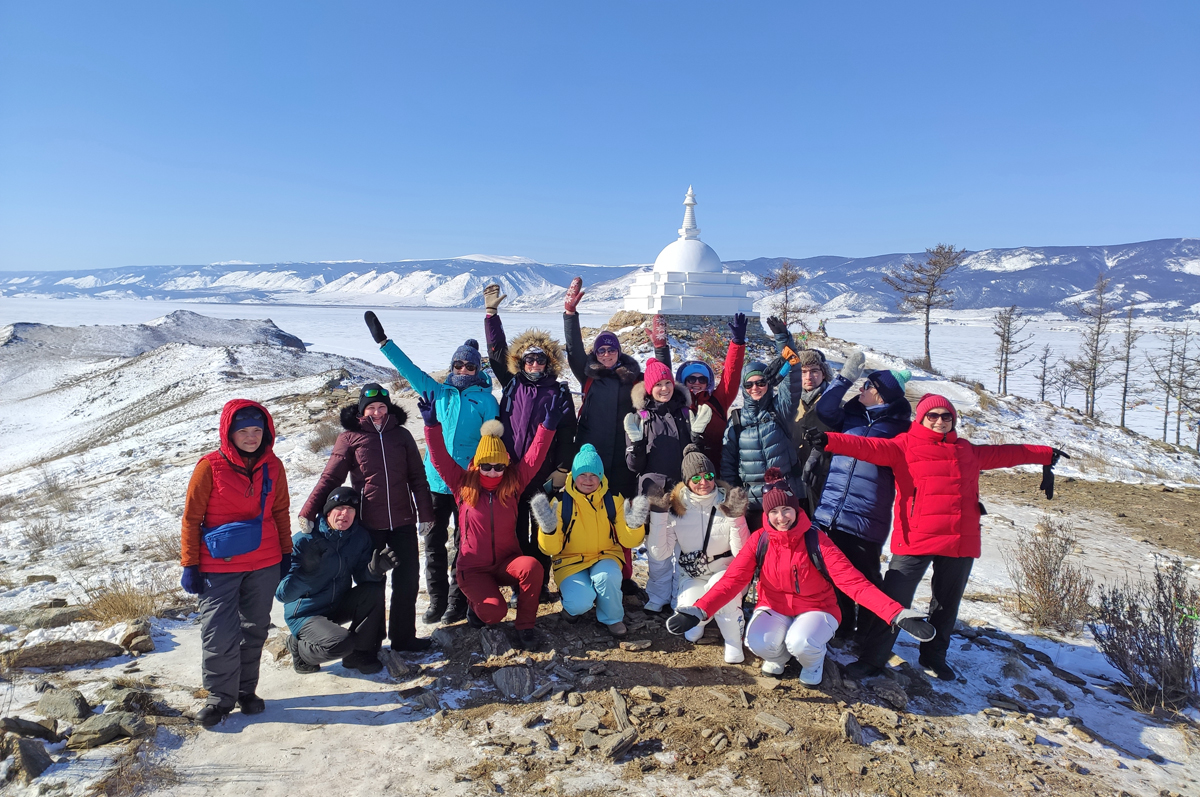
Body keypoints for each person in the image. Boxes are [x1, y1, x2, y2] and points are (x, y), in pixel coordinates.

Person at [809, 393, 1066, 681]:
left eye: (946, 416)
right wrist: (829, 440)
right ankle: (872, 658)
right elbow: (867, 446)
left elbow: (1008, 453)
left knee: (946, 604)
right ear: (921, 419)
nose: (940, 421)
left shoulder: (966, 450)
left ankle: (934, 657)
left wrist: (1046, 455)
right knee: (894, 599)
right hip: (916, 538)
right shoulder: (903, 446)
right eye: (932, 416)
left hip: (960, 539)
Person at [665, 471, 935, 684]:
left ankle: (812, 662)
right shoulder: (760, 540)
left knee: (801, 642)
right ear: (766, 515)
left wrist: (896, 614)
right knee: (757, 642)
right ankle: (780, 656)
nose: (781, 517)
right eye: (773, 512)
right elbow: (732, 580)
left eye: (786, 510)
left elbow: (854, 583)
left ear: (796, 509)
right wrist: (700, 610)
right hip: (774, 606)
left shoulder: (817, 541)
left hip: (818, 608)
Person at [364, 311, 499, 626]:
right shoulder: (437, 393)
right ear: (451, 367)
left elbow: (491, 444)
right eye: (458, 365)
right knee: (434, 543)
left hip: (468, 484)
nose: (463, 370)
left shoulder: (486, 401)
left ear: (478, 370)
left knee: (465, 545)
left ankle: (457, 601)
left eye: (470, 366)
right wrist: (384, 343)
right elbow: (408, 369)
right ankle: (437, 600)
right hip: (435, 484)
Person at [420, 391, 570, 649]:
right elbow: (439, 458)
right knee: (493, 613)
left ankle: (525, 626)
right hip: (473, 568)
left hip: (506, 563)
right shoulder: (462, 485)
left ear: (506, 466)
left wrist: (548, 426)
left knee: (532, 566)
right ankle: (475, 604)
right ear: (477, 464)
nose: (493, 471)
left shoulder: (513, 483)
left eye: (499, 466)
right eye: (486, 466)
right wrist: (432, 425)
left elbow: (534, 456)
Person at [179, 400, 292, 727]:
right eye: (243, 431)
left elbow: (280, 511)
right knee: (218, 633)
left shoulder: (274, 466)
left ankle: (246, 692)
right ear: (229, 433)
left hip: (264, 561)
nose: (251, 437)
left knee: (254, 630)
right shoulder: (209, 467)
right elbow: (191, 519)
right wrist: (190, 564)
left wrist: (286, 553)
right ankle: (219, 699)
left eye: (257, 430)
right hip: (219, 565)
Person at [298, 383, 434, 652]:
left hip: (403, 521)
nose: (377, 412)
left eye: (382, 406)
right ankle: (369, 644)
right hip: (369, 525)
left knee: (407, 581)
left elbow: (418, 478)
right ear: (362, 410)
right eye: (371, 407)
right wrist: (308, 510)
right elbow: (331, 477)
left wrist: (425, 514)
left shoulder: (402, 435)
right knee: (372, 583)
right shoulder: (350, 438)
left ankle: (404, 638)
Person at [482, 284, 579, 603]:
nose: (534, 364)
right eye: (529, 360)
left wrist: (562, 469)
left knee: (542, 531)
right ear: (520, 362)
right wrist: (491, 316)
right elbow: (496, 352)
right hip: (510, 472)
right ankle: (518, 585)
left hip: (543, 475)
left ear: (548, 362)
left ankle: (539, 585)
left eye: (540, 360)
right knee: (514, 531)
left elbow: (568, 433)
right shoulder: (512, 384)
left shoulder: (559, 392)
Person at [811, 354, 913, 644]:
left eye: (868, 385)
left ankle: (869, 634)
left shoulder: (900, 430)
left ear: (882, 395)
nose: (862, 389)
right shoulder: (851, 415)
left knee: (866, 577)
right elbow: (824, 408)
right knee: (832, 573)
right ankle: (842, 626)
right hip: (830, 509)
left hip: (866, 515)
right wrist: (844, 379)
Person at [562, 277, 651, 598]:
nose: (607, 354)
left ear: (619, 351)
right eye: (601, 349)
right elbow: (574, 349)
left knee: (621, 516)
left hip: (624, 461)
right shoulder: (588, 375)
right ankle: (581, 568)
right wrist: (570, 314)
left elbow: (655, 392)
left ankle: (623, 575)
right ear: (596, 353)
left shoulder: (634, 378)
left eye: (612, 349)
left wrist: (660, 346)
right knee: (588, 514)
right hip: (592, 459)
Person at [530, 444, 650, 636]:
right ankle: (572, 606)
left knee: (606, 577)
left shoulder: (614, 500)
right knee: (580, 602)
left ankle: (612, 618)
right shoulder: (560, 503)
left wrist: (635, 526)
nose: (588, 480)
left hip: (605, 556)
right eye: (582, 474)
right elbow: (550, 549)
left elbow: (628, 542)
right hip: (569, 562)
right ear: (574, 475)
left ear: (601, 476)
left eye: (593, 475)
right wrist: (548, 531)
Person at [647, 445, 750, 663]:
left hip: (726, 572)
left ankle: (733, 640)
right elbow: (660, 553)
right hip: (693, 574)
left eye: (708, 476)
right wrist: (658, 516)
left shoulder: (728, 501)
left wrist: (737, 517)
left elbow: (743, 554)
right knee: (691, 629)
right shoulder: (675, 507)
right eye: (696, 478)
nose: (704, 482)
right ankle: (704, 622)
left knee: (721, 591)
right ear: (686, 480)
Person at [278, 488, 396, 675]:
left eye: (350, 510)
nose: (344, 514)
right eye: (339, 508)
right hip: (305, 613)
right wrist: (305, 574)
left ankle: (358, 654)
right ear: (328, 512)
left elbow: (361, 577)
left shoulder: (358, 537)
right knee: (341, 643)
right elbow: (282, 594)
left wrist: (374, 571)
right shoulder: (303, 541)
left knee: (374, 590)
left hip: (336, 604)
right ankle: (299, 649)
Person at [625, 358, 711, 613]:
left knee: (684, 546)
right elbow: (634, 466)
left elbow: (693, 457)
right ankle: (657, 594)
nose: (664, 389)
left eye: (667, 383)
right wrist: (636, 444)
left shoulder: (684, 414)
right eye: (658, 384)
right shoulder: (640, 417)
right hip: (654, 492)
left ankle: (679, 595)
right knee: (657, 547)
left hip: (683, 492)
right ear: (649, 388)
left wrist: (697, 437)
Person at [649, 313, 747, 474]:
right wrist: (660, 349)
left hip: (717, 472)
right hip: (683, 474)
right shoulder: (676, 402)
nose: (697, 382)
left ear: (708, 382)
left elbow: (731, 375)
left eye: (702, 379)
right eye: (691, 379)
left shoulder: (718, 401)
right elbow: (662, 379)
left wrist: (737, 344)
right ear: (683, 381)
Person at [722, 355, 805, 531]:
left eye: (761, 382)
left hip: (787, 500)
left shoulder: (780, 409)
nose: (755, 388)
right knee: (759, 547)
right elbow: (728, 465)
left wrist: (784, 346)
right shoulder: (736, 420)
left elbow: (793, 382)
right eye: (749, 384)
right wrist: (733, 498)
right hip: (754, 505)